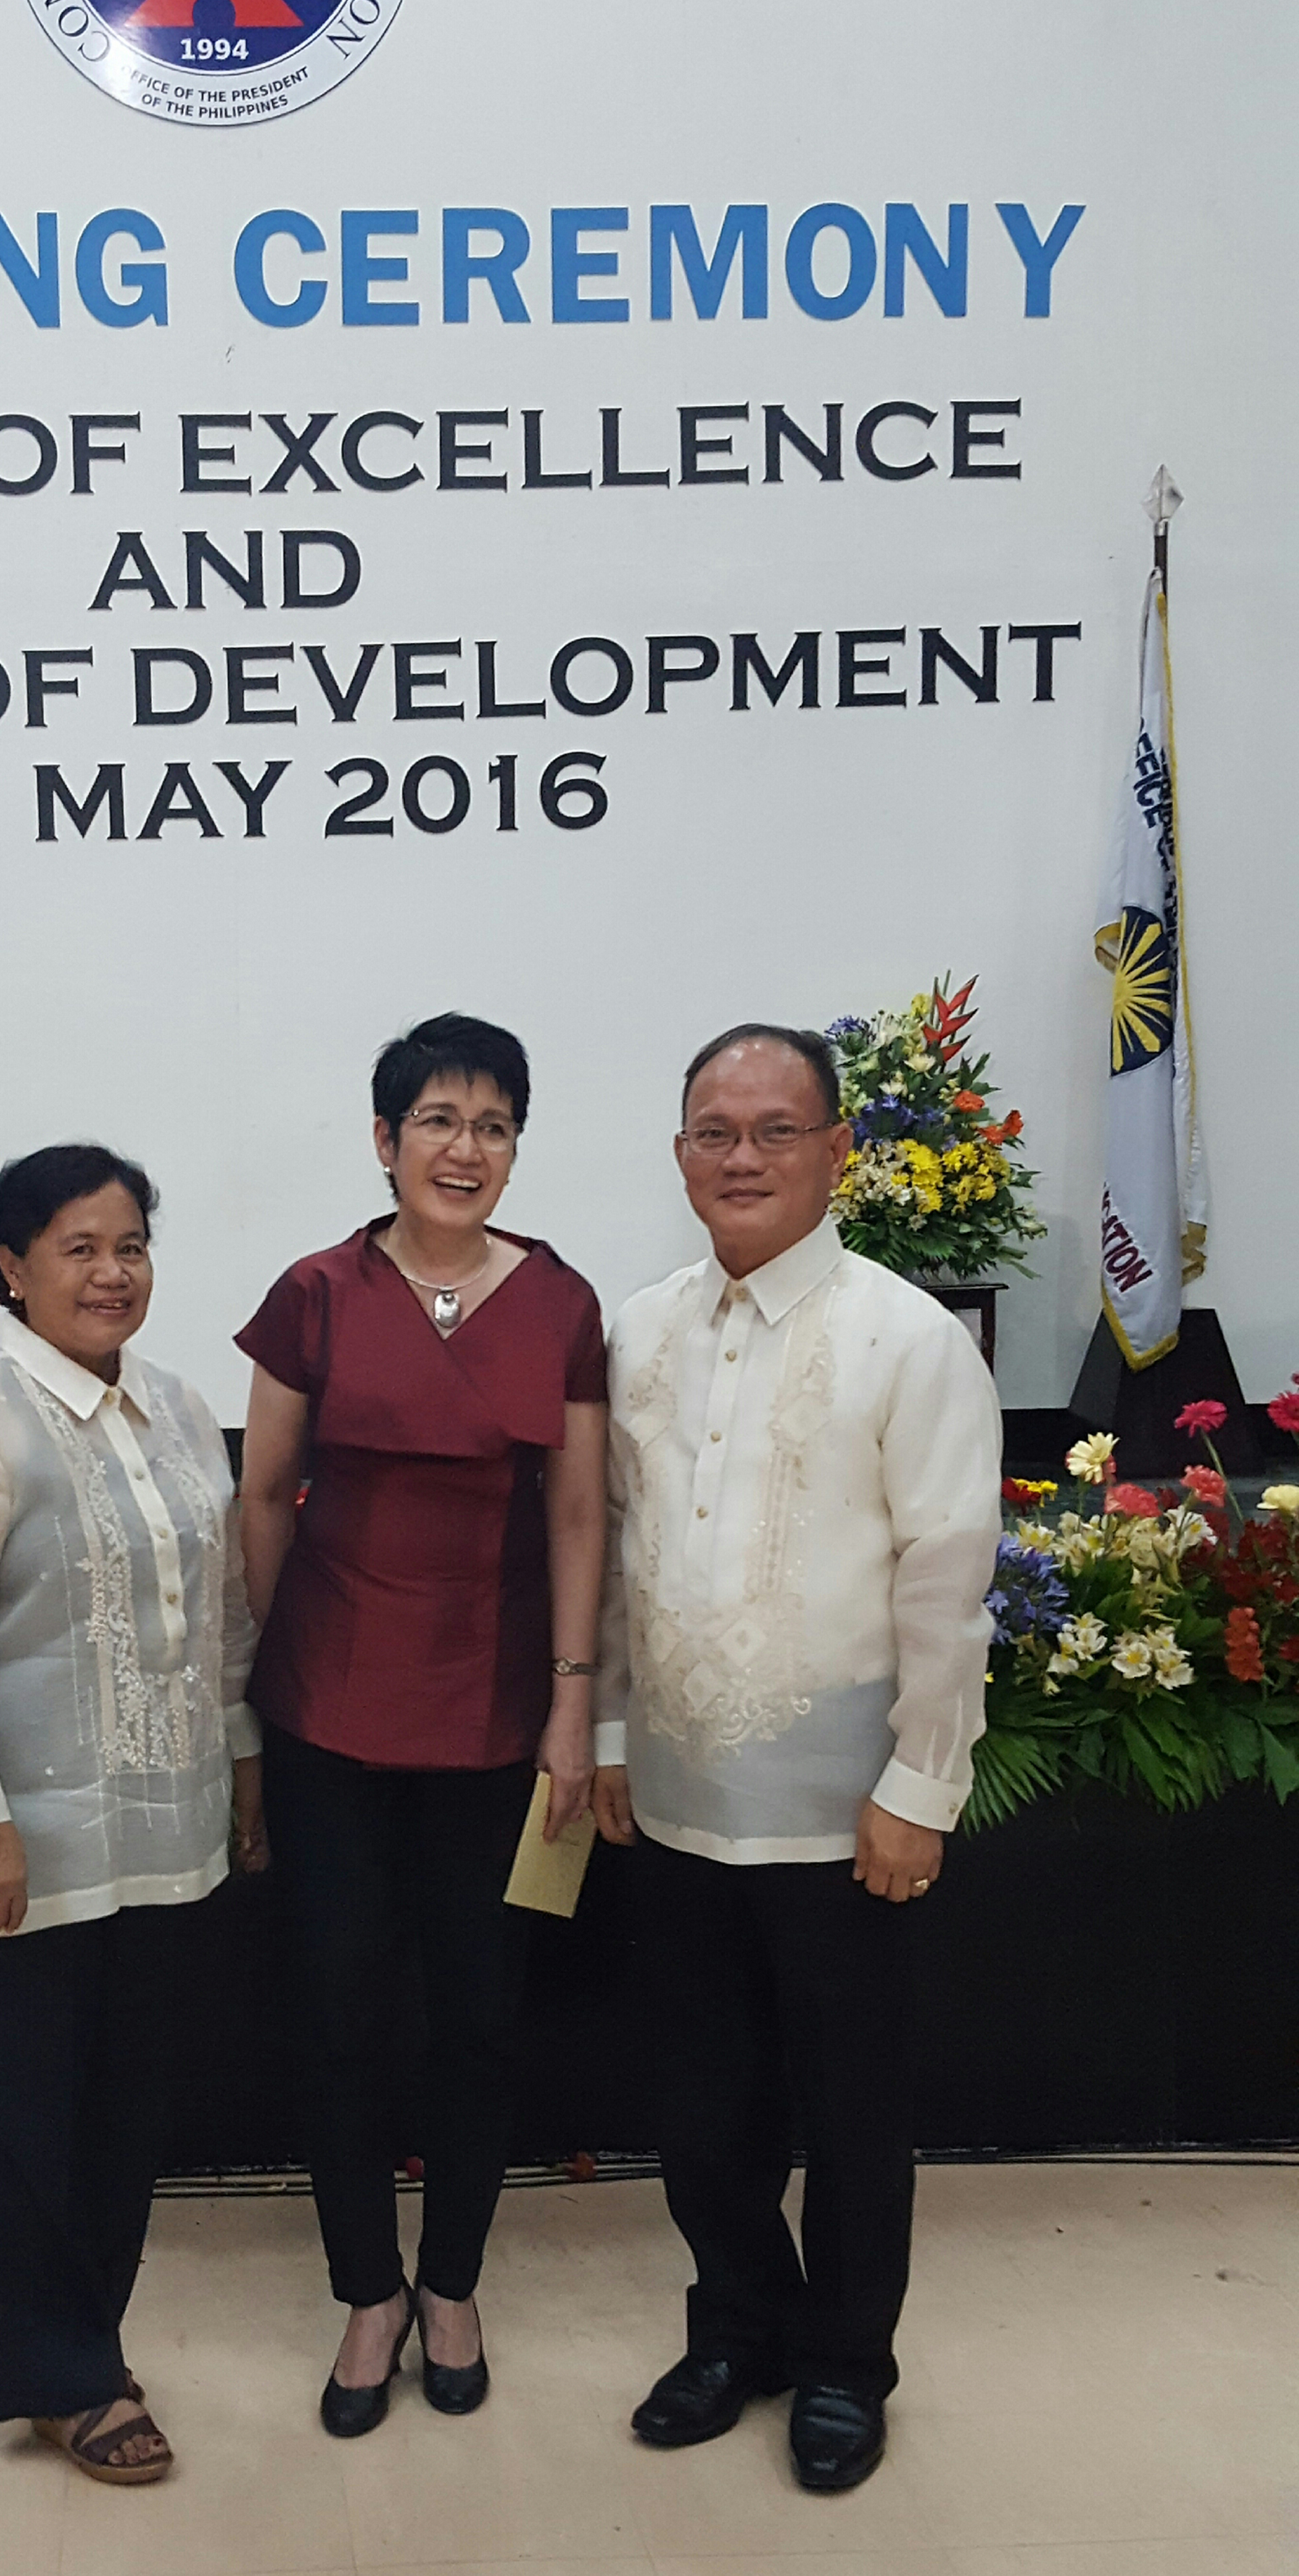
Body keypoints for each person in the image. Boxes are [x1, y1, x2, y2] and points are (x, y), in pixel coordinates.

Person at [591, 1025, 1002, 2493]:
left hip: (847, 1813)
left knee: (851, 2109)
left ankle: (845, 2362)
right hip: (683, 1802)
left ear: (837, 1151)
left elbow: (949, 1582)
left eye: (777, 1129)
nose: (744, 1155)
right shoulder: (639, 1330)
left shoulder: (908, 1338)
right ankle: (738, 2330)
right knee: (703, 2107)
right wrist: (611, 1736)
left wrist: (919, 1787)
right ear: (682, 1150)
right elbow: (619, 1563)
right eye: (715, 1129)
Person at [236, 1012, 607, 2435]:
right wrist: (267, 1679)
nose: (467, 1148)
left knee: (481, 2017)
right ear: (385, 1140)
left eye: (494, 1124)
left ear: (517, 1147)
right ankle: (366, 2292)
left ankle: (452, 2282)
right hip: (329, 1705)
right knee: (342, 2016)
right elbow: (266, 1496)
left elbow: (578, 1508)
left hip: (502, 1711)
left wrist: (576, 1702)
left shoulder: (562, 1303)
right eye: (438, 1120)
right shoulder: (317, 1292)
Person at [0, 1145, 261, 2489]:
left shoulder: (177, 1407)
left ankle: (86, 2339)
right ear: (12, 1266)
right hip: (17, 1838)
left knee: (123, 2104)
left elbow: (223, 1618)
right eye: (80, 1247)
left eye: (133, 1244)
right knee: (19, 2109)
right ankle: (66, 2376)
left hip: (162, 1824)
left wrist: (243, 1759)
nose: (114, 1271)